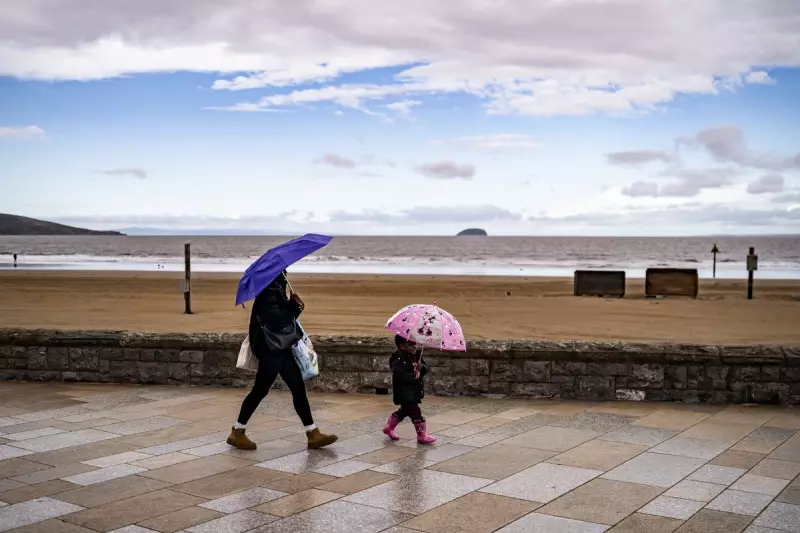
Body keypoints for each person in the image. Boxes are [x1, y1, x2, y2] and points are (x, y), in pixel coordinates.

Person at [227, 271, 337, 451]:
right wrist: (293, 307)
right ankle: (237, 431)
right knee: (260, 390)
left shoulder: (275, 289)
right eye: (283, 271)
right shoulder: (269, 292)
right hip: (271, 349)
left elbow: (283, 320)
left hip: (279, 346)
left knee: (297, 388)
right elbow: (277, 321)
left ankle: (312, 433)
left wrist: (294, 306)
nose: (286, 273)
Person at [383, 335, 436, 444]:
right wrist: (414, 375)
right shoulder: (397, 359)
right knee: (416, 413)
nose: (414, 346)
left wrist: (421, 368)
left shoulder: (416, 355)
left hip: (414, 390)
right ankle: (421, 435)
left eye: (414, 344)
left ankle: (389, 427)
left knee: (404, 411)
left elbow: (425, 368)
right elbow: (399, 374)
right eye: (410, 344)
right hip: (404, 392)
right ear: (402, 346)